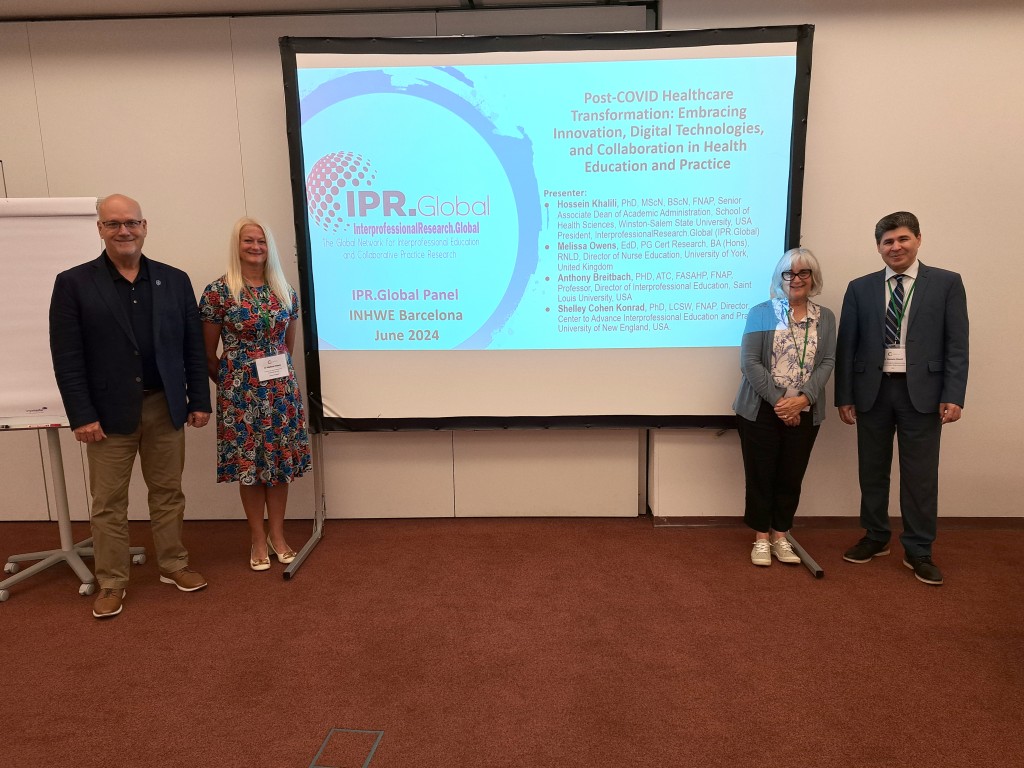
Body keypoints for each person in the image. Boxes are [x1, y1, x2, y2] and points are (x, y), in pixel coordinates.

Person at [49, 194, 212, 619]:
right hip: (107, 415)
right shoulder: (74, 283)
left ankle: (174, 565)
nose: (124, 231)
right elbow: (67, 358)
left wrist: (198, 399)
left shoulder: (174, 280)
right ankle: (113, 581)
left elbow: (192, 347)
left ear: (145, 226)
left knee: (168, 494)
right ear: (100, 229)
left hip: (165, 407)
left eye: (132, 223)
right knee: (108, 503)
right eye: (114, 223)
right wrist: (81, 415)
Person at [835, 211, 968, 586]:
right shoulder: (860, 288)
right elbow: (848, 346)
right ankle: (876, 537)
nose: (896, 247)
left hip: (923, 395)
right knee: (872, 471)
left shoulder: (946, 283)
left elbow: (958, 344)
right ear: (879, 248)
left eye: (902, 239)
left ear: (918, 240)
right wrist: (844, 395)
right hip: (872, 392)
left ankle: (919, 549)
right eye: (888, 242)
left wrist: (953, 394)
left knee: (920, 477)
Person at [199, 217, 311, 571]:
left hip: (280, 394)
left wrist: (272, 380)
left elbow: (286, 347)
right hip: (241, 395)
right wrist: (235, 384)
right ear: (237, 245)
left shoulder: (284, 289)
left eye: (261, 241)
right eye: (248, 241)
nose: (255, 247)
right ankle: (257, 539)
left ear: (269, 247)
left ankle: (278, 536)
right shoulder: (219, 291)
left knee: (277, 468)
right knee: (250, 468)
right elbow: (206, 355)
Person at [733, 248, 837, 566]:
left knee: (792, 476)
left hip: (806, 409)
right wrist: (781, 403)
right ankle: (761, 539)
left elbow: (828, 361)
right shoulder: (761, 312)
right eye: (789, 274)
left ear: (813, 278)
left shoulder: (827, 317)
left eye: (803, 273)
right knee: (761, 474)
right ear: (780, 278)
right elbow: (749, 362)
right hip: (761, 409)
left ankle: (781, 535)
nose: (796, 279)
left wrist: (803, 399)